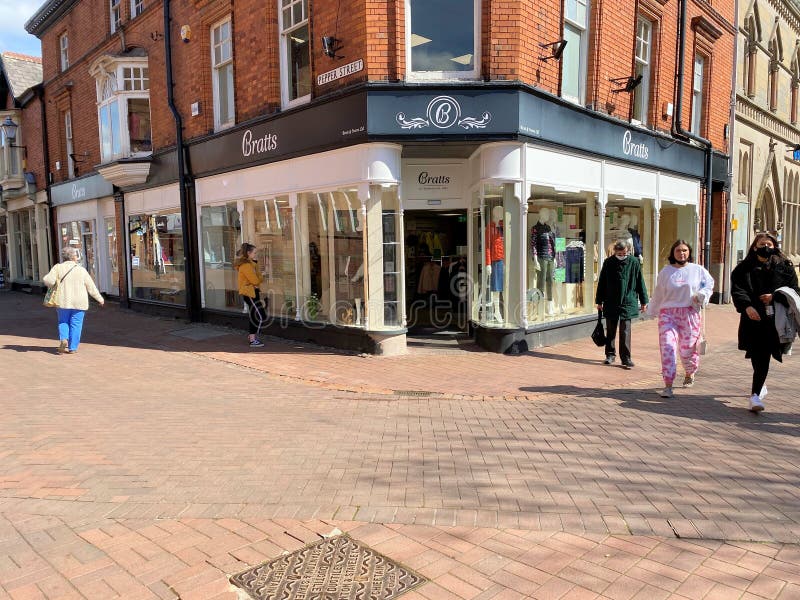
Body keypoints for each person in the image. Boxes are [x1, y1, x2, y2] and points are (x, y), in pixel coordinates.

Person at [731, 232, 799, 412]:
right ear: (754, 246)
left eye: (769, 244)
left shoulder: (785, 267)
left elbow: (795, 291)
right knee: (755, 355)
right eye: (762, 244)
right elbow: (738, 290)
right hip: (752, 318)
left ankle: (755, 395)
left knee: (763, 357)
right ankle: (760, 386)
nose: (766, 247)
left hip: (775, 321)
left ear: (775, 246)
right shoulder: (743, 269)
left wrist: (775, 297)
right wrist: (747, 306)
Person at [647, 240, 714, 399]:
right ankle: (668, 384)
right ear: (673, 253)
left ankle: (690, 372)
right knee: (668, 347)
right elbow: (659, 293)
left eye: (684, 250)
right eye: (678, 250)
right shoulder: (665, 272)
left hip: (689, 314)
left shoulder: (697, 270)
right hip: (668, 314)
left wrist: (702, 295)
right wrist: (652, 310)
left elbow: (708, 285)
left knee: (687, 350)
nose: (681, 253)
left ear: (689, 252)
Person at [595, 239, 648, 369]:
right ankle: (610, 355)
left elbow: (640, 281)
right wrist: (599, 300)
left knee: (625, 330)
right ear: (615, 252)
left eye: (625, 253)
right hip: (611, 300)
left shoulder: (634, 262)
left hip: (628, 300)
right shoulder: (608, 262)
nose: (622, 256)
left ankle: (626, 358)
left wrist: (644, 301)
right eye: (619, 253)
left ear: (628, 251)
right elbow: (602, 282)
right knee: (611, 329)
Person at [42, 246, 105, 354]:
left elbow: (48, 280)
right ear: (73, 257)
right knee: (76, 324)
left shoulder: (57, 268)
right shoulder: (81, 270)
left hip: (63, 301)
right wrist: (100, 299)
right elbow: (91, 286)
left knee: (63, 321)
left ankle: (64, 339)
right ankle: (73, 348)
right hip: (80, 302)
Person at [234, 243, 267, 348]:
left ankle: (252, 337)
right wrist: (262, 275)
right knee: (260, 316)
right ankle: (252, 339)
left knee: (256, 315)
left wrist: (257, 268)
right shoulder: (246, 266)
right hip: (249, 293)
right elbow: (255, 280)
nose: (256, 254)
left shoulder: (250, 264)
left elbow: (255, 279)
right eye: (254, 253)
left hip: (253, 292)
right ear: (248, 253)